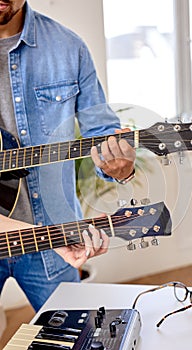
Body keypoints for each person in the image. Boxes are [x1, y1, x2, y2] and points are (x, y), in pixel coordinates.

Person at [0, 0, 136, 312]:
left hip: (53, 236)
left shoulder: (68, 47)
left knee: (76, 338)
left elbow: (101, 131)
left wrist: (118, 166)